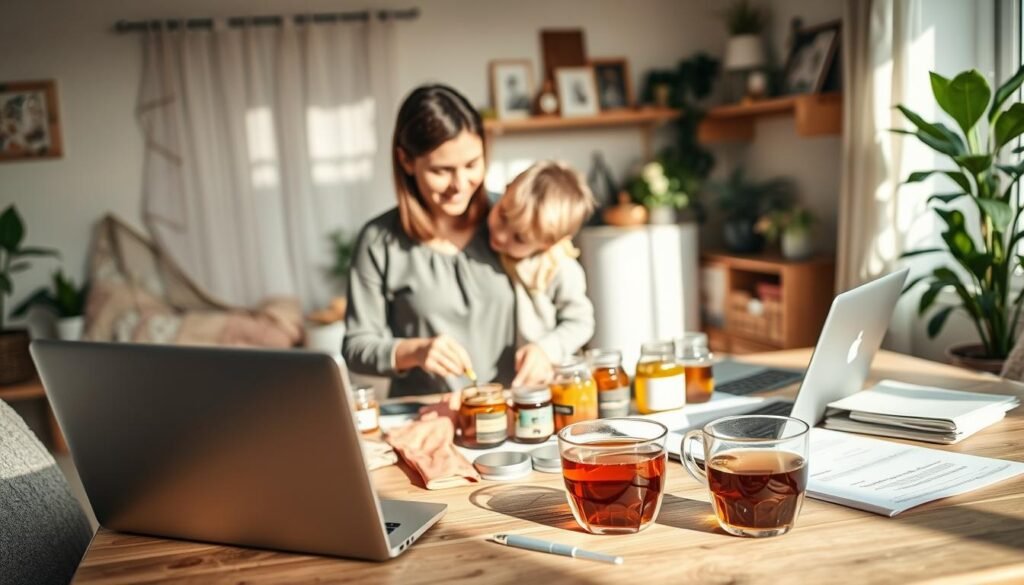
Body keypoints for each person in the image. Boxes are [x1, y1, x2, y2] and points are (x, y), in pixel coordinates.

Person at [343, 85, 517, 397]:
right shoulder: (379, 241)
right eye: (442, 170)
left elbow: (568, 306)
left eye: (472, 164)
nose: (460, 185)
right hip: (424, 416)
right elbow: (356, 345)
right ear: (406, 161)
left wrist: (548, 350)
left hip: (510, 411)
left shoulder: (512, 221)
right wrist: (415, 351)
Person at [487, 161, 597, 383]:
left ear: (547, 243)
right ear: (506, 190)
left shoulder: (559, 268)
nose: (500, 236)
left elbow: (581, 322)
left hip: (543, 381)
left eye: (519, 238)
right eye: (502, 216)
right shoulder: (488, 239)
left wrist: (545, 349)